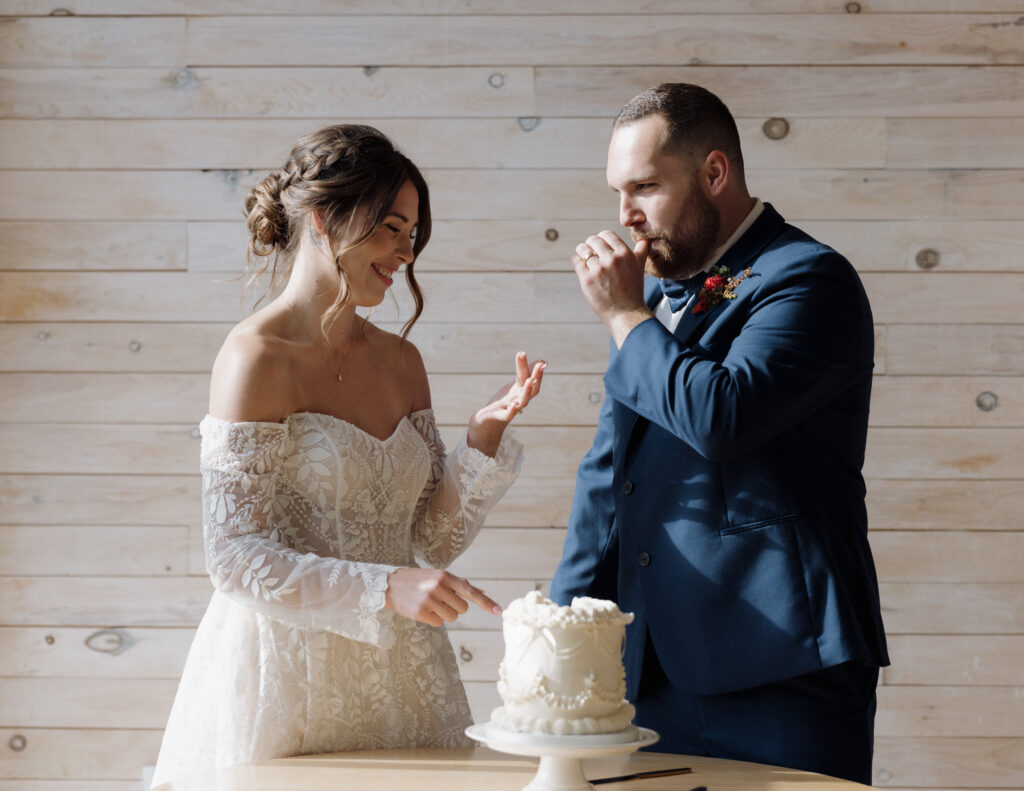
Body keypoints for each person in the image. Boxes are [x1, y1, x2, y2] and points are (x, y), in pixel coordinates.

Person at [151, 124, 544, 786]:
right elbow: (233, 555)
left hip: (405, 677)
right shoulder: (254, 358)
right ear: (321, 218)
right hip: (288, 679)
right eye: (391, 227)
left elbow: (429, 541)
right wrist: (385, 585)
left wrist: (480, 441)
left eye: (412, 234)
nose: (404, 253)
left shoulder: (402, 361)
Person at [549, 84, 888, 784]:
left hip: (783, 667)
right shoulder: (647, 301)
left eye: (645, 186)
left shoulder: (809, 279)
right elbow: (612, 474)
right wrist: (559, 629)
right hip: (649, 671)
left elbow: (721, 417)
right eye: (618, 193)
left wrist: (621, 318)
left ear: (713, 173)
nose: (626, 217)